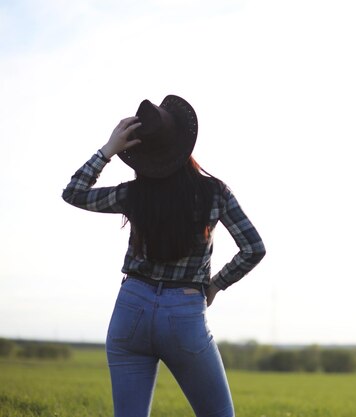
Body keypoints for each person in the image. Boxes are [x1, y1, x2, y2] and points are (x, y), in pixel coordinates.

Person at [62, 95, 266, 417]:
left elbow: (73, 192)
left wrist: (107, 151)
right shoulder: (215, 192)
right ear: (185, 143)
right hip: (184, 312)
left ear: (142, 153)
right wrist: (215, 285)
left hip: (131, 308)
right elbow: (254, 248)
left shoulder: (132, 194)